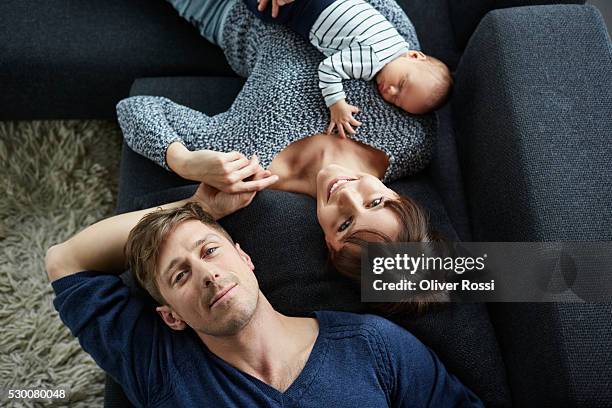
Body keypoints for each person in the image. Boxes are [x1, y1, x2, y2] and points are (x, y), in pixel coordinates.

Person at [117, 0, 443, 310]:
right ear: (396, 196)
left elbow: (134, 110)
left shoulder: (249, 170)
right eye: (375, 203)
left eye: (344, 224)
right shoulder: (412, 136)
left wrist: (185, 162)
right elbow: (388, 27)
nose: (347, 195)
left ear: (330, 244)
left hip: (223, 12)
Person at [45, 185, 483, 407]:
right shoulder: (160, 369)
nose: (208, 276)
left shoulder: (373, 344)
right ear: (170, 316)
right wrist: (200, 207)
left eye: (210, 251)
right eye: (180, 277)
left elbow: (542, 273)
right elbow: (64, 260)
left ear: (246, 258)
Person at [246, 0, 453, 137]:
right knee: (266, 10)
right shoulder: (373, 61)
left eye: (398, 102)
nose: (390, 92)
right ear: (415, 55)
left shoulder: (397, 40)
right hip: (304, 10)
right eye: (401, 84)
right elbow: (328, 69)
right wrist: (337, 105)